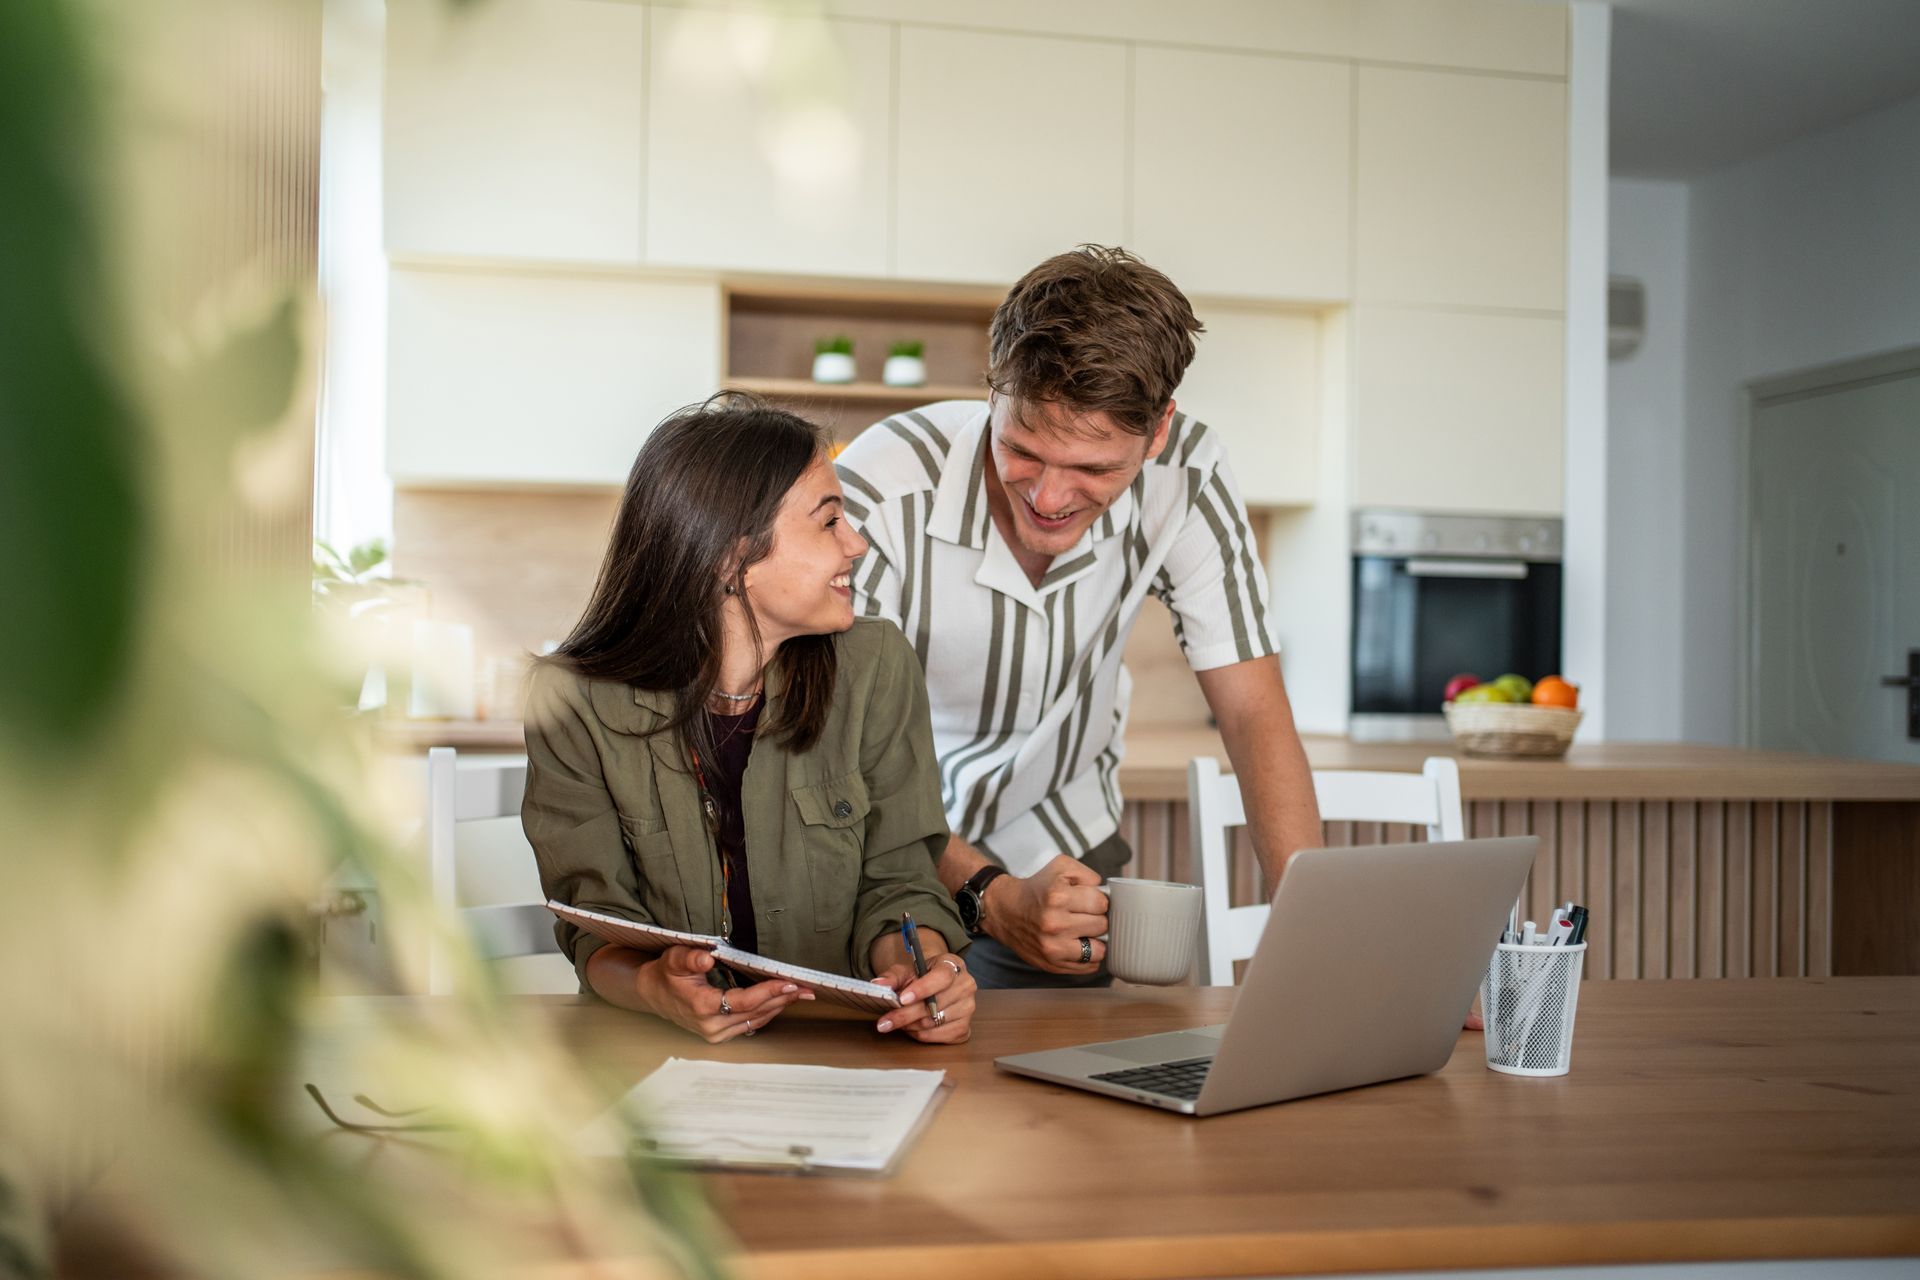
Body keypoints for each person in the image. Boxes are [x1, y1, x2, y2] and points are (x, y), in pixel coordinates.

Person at [833, 245, 1322, 989]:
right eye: (1023, 451)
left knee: (1067, 1098)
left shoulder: (1184, 474)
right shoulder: (883, 486)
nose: (1051, 498)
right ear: (993, 392)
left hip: (1063, 851)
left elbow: (1253, 709)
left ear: (1157, 433)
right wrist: (988, 898)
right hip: (880, 856)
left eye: (1095, 469)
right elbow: (835, 751)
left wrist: (1324, 941)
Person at [521, 396, 975, 1042]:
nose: (858, 544)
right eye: (830, 522)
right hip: (650, 1059)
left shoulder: (878, 667)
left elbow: (900, 881)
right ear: (732, 561)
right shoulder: (569, 701)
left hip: (843, 1054)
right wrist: (657, 988)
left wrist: (921, 972)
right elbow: (592, 922)